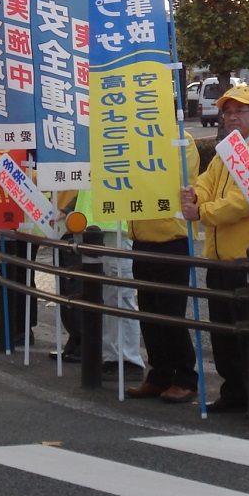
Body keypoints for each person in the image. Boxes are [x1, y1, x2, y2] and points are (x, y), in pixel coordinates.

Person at [180, 84, 249, 419]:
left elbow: (247, 200)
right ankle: (235, 392)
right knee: (223, 331)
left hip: (248, 258)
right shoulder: (228, 150)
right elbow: (207, 182)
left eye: (241, 111)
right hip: (218, 255)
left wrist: (203, 211)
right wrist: (194, 195)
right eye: (228, 111)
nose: (232, 117)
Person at [125, 134, 203, 405]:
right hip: (142, 238)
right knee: (148, 312)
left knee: (171, 314)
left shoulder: (182, 139)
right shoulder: (131, 136)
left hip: (172, 239)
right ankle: (159, 374)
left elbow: (182, 180)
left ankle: (185, 378)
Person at [71, 190, 145, 381]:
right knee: (104, 295)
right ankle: (113, 356)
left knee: (119, 294)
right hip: (95, 220)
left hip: (115, 221)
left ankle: (127, 358)